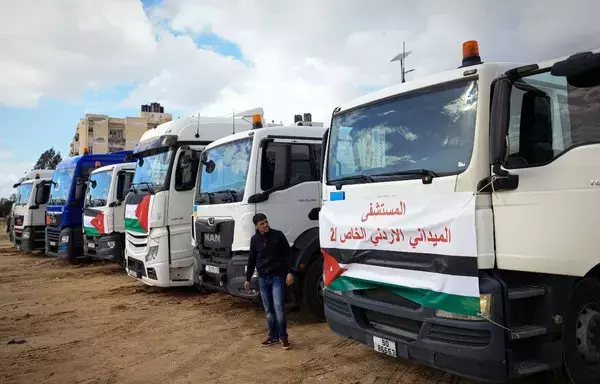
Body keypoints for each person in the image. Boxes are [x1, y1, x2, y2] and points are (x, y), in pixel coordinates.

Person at [244, 213, 294, 350]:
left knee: (279, 307)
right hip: (263, 278)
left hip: (277, 276)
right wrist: (248, 278)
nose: (265, 225)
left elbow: (288, 254)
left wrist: (290, 272)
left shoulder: (278, 235)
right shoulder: (254, 240)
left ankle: (283, 337)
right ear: (256, 226)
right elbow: (252, 259)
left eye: (266, 222)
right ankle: (272, 335)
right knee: (268, 309)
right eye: (262, 224)